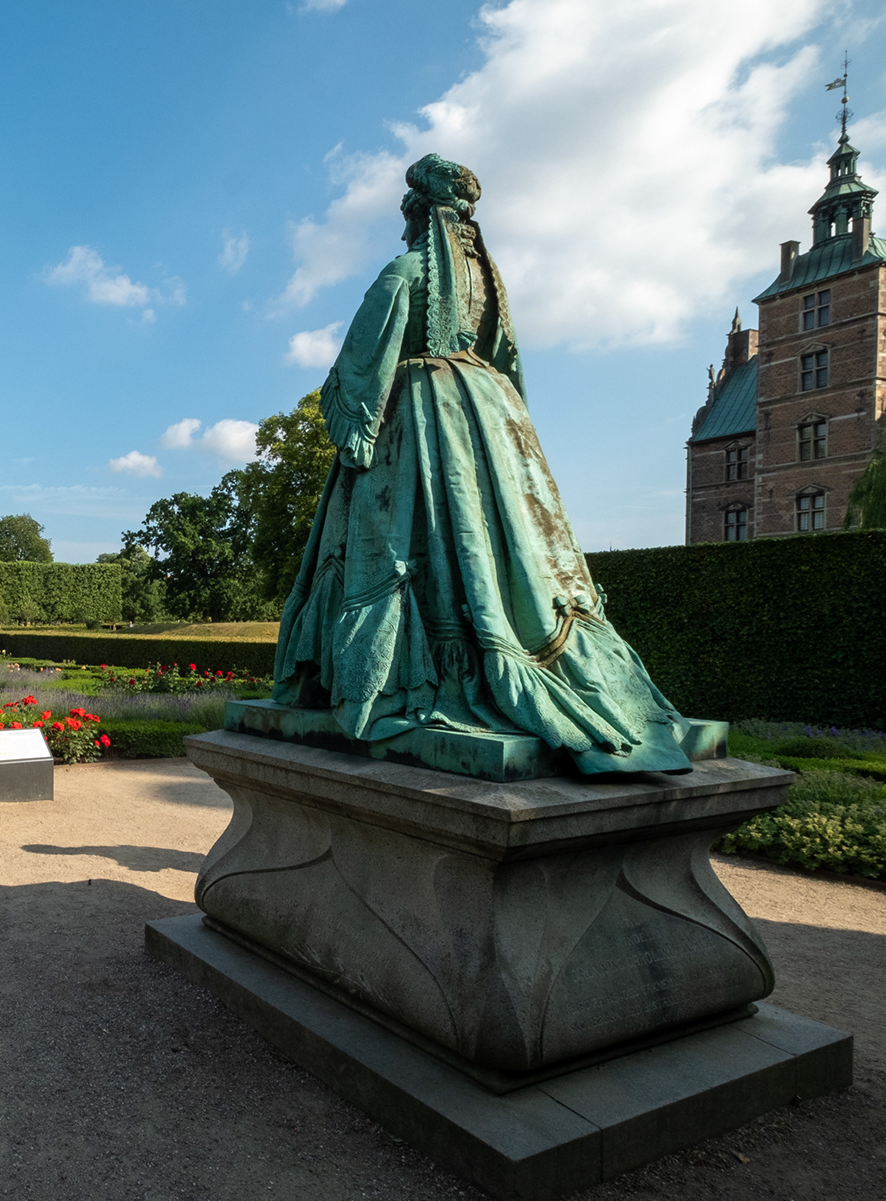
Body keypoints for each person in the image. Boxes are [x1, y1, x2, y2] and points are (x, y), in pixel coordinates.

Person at [272, 153, 691, 775]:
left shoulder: (404, 271)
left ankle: (394, 683)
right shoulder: (487, 284)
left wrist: (357, 434)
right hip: (490, 417)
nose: (403, 227)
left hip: (419, 419)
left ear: (418, 214)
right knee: (497, 544)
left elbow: (362, 368)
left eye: (406, 215)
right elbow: (509, 361)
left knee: (402, 547)